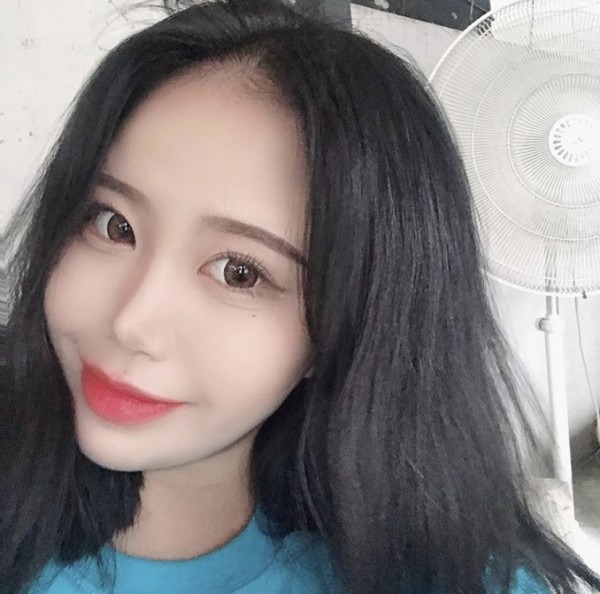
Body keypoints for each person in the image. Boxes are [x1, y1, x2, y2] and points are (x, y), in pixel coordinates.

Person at [2, 1, 598, 592]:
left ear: (349, 320)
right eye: (113, 225)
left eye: (239, 272)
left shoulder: (460, 580)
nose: (131, 322)